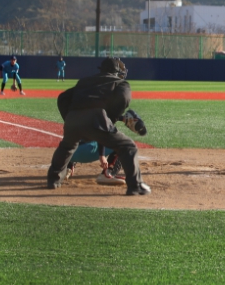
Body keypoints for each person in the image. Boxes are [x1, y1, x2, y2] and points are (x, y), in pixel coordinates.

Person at [46, 57, 150, 195]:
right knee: (128, 146)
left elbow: (63, 98)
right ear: (116, 71)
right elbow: (124, 99)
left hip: (73, 118)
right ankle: (135, 186)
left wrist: (69, 117)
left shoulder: (84, 81)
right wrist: (111, 118)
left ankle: (53, 180)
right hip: (96, 118)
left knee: (67, 147)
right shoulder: (120, 83)